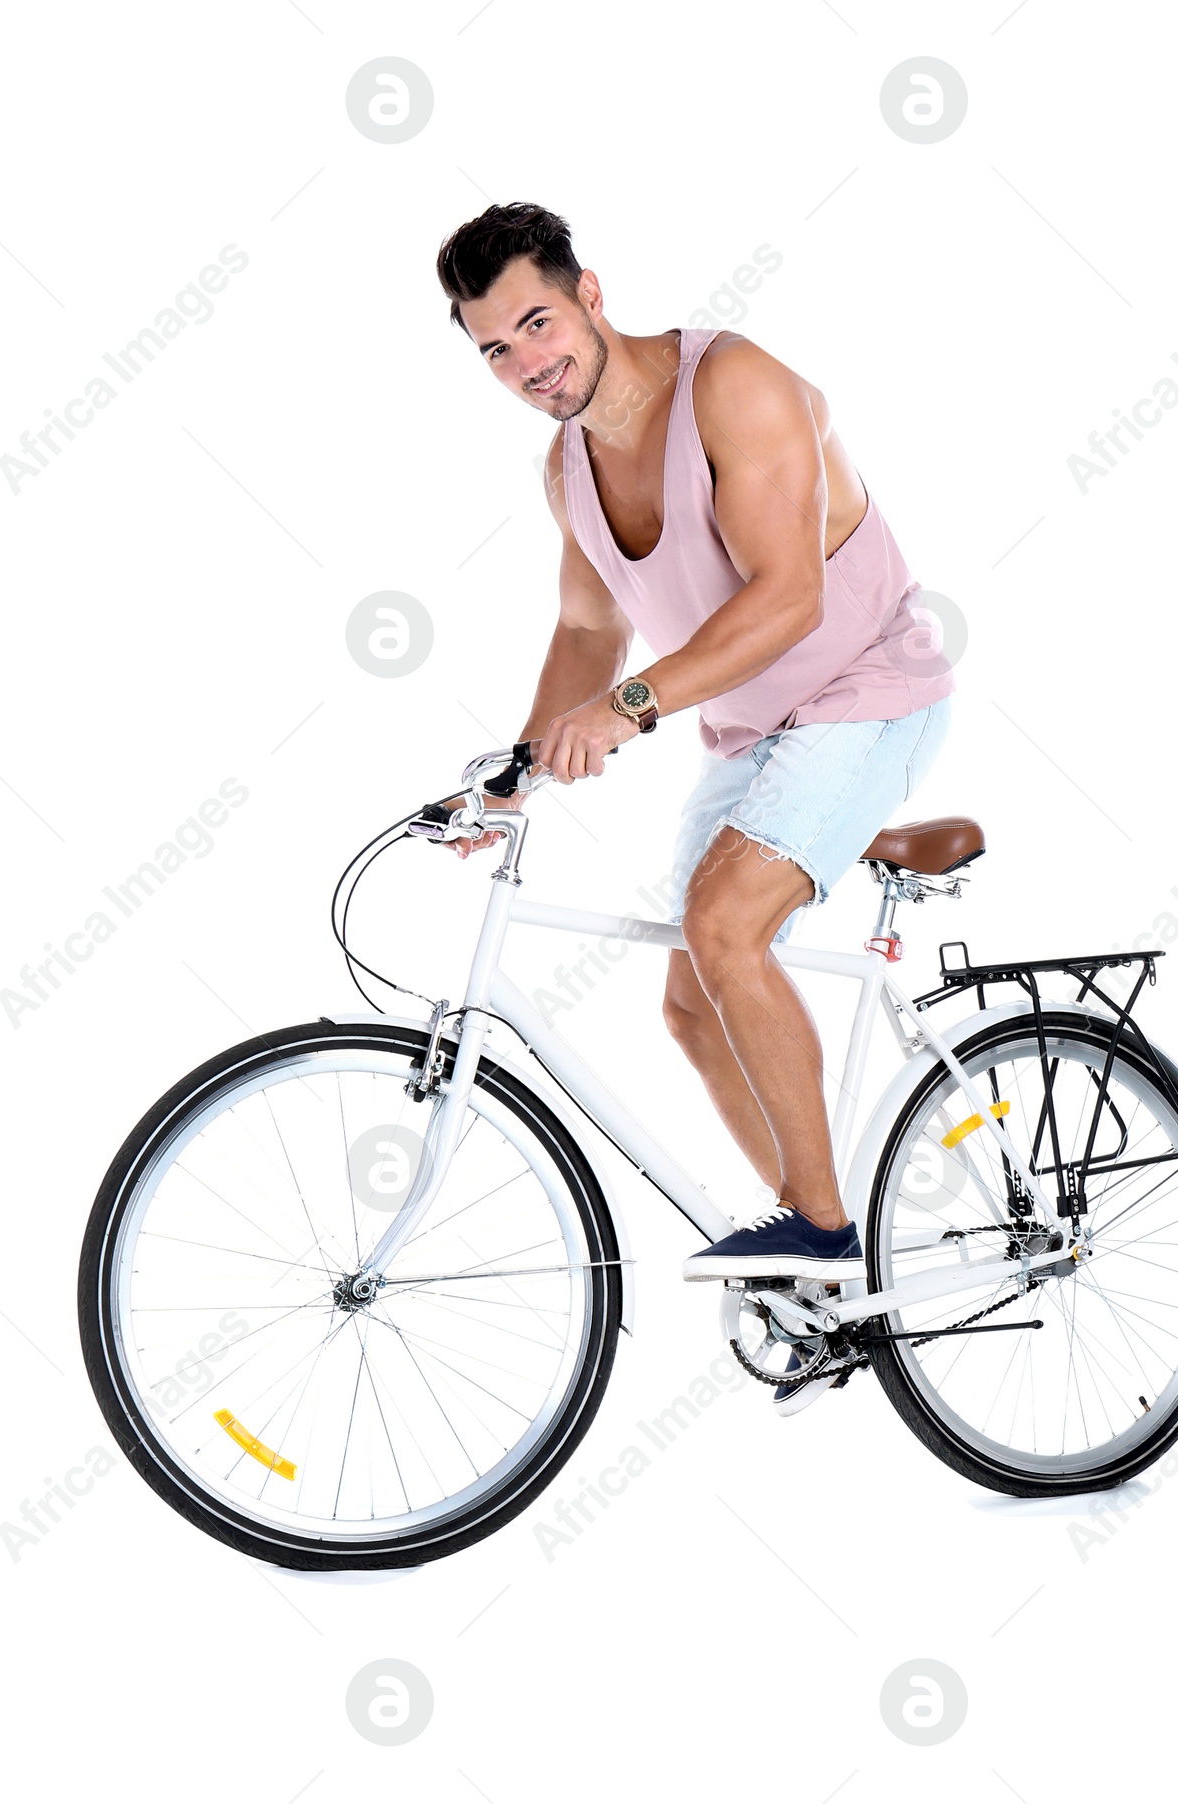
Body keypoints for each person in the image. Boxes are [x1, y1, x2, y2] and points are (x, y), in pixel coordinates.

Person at [435, 202, 954, 1290]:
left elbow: (788, 598)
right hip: (750, 730)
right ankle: (839, 1261)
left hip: (866, 691)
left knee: (722, 927)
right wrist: (513, 777)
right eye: (494, 348)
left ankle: (818, 1232)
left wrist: (624, 710)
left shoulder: (732, 385)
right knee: (688, 1001)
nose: (527, 362)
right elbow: (588, 628)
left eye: (536, 322)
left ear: (590, 294)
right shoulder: (564, 470)